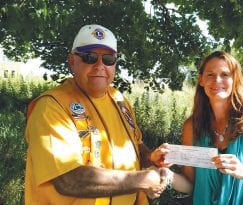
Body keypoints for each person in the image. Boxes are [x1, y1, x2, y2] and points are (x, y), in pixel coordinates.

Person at [24, 24, 167, 205]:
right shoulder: (51, 106)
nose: (99, 66)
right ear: (72, 61)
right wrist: (142, 180)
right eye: (89, 57)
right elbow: (67, 179)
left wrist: (150, 157)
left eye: (108, 59)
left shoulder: (119, 100)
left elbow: (135, 145)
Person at [153, 50, 243, 204]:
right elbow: (190, 184)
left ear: (235, 79)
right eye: (210, 74)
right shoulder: (192, 126)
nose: (217, 80)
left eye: (225, 74)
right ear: (201, 80)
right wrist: (166, 174)